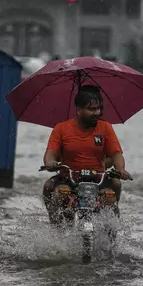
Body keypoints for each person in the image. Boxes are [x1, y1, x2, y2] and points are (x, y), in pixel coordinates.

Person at [42, 85, 131, 225]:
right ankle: (57, 228)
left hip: (98, 178)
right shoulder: (61, 128)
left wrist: (121, 169)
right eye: (91, 109)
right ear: (78, 110)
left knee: (114, 186)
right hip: (69, 178)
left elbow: (116, 153)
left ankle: (111, 228)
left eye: (98, 108)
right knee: (50, 187)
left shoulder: (105, 127)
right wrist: (50, 162)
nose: (97, 112)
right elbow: (50, 153)